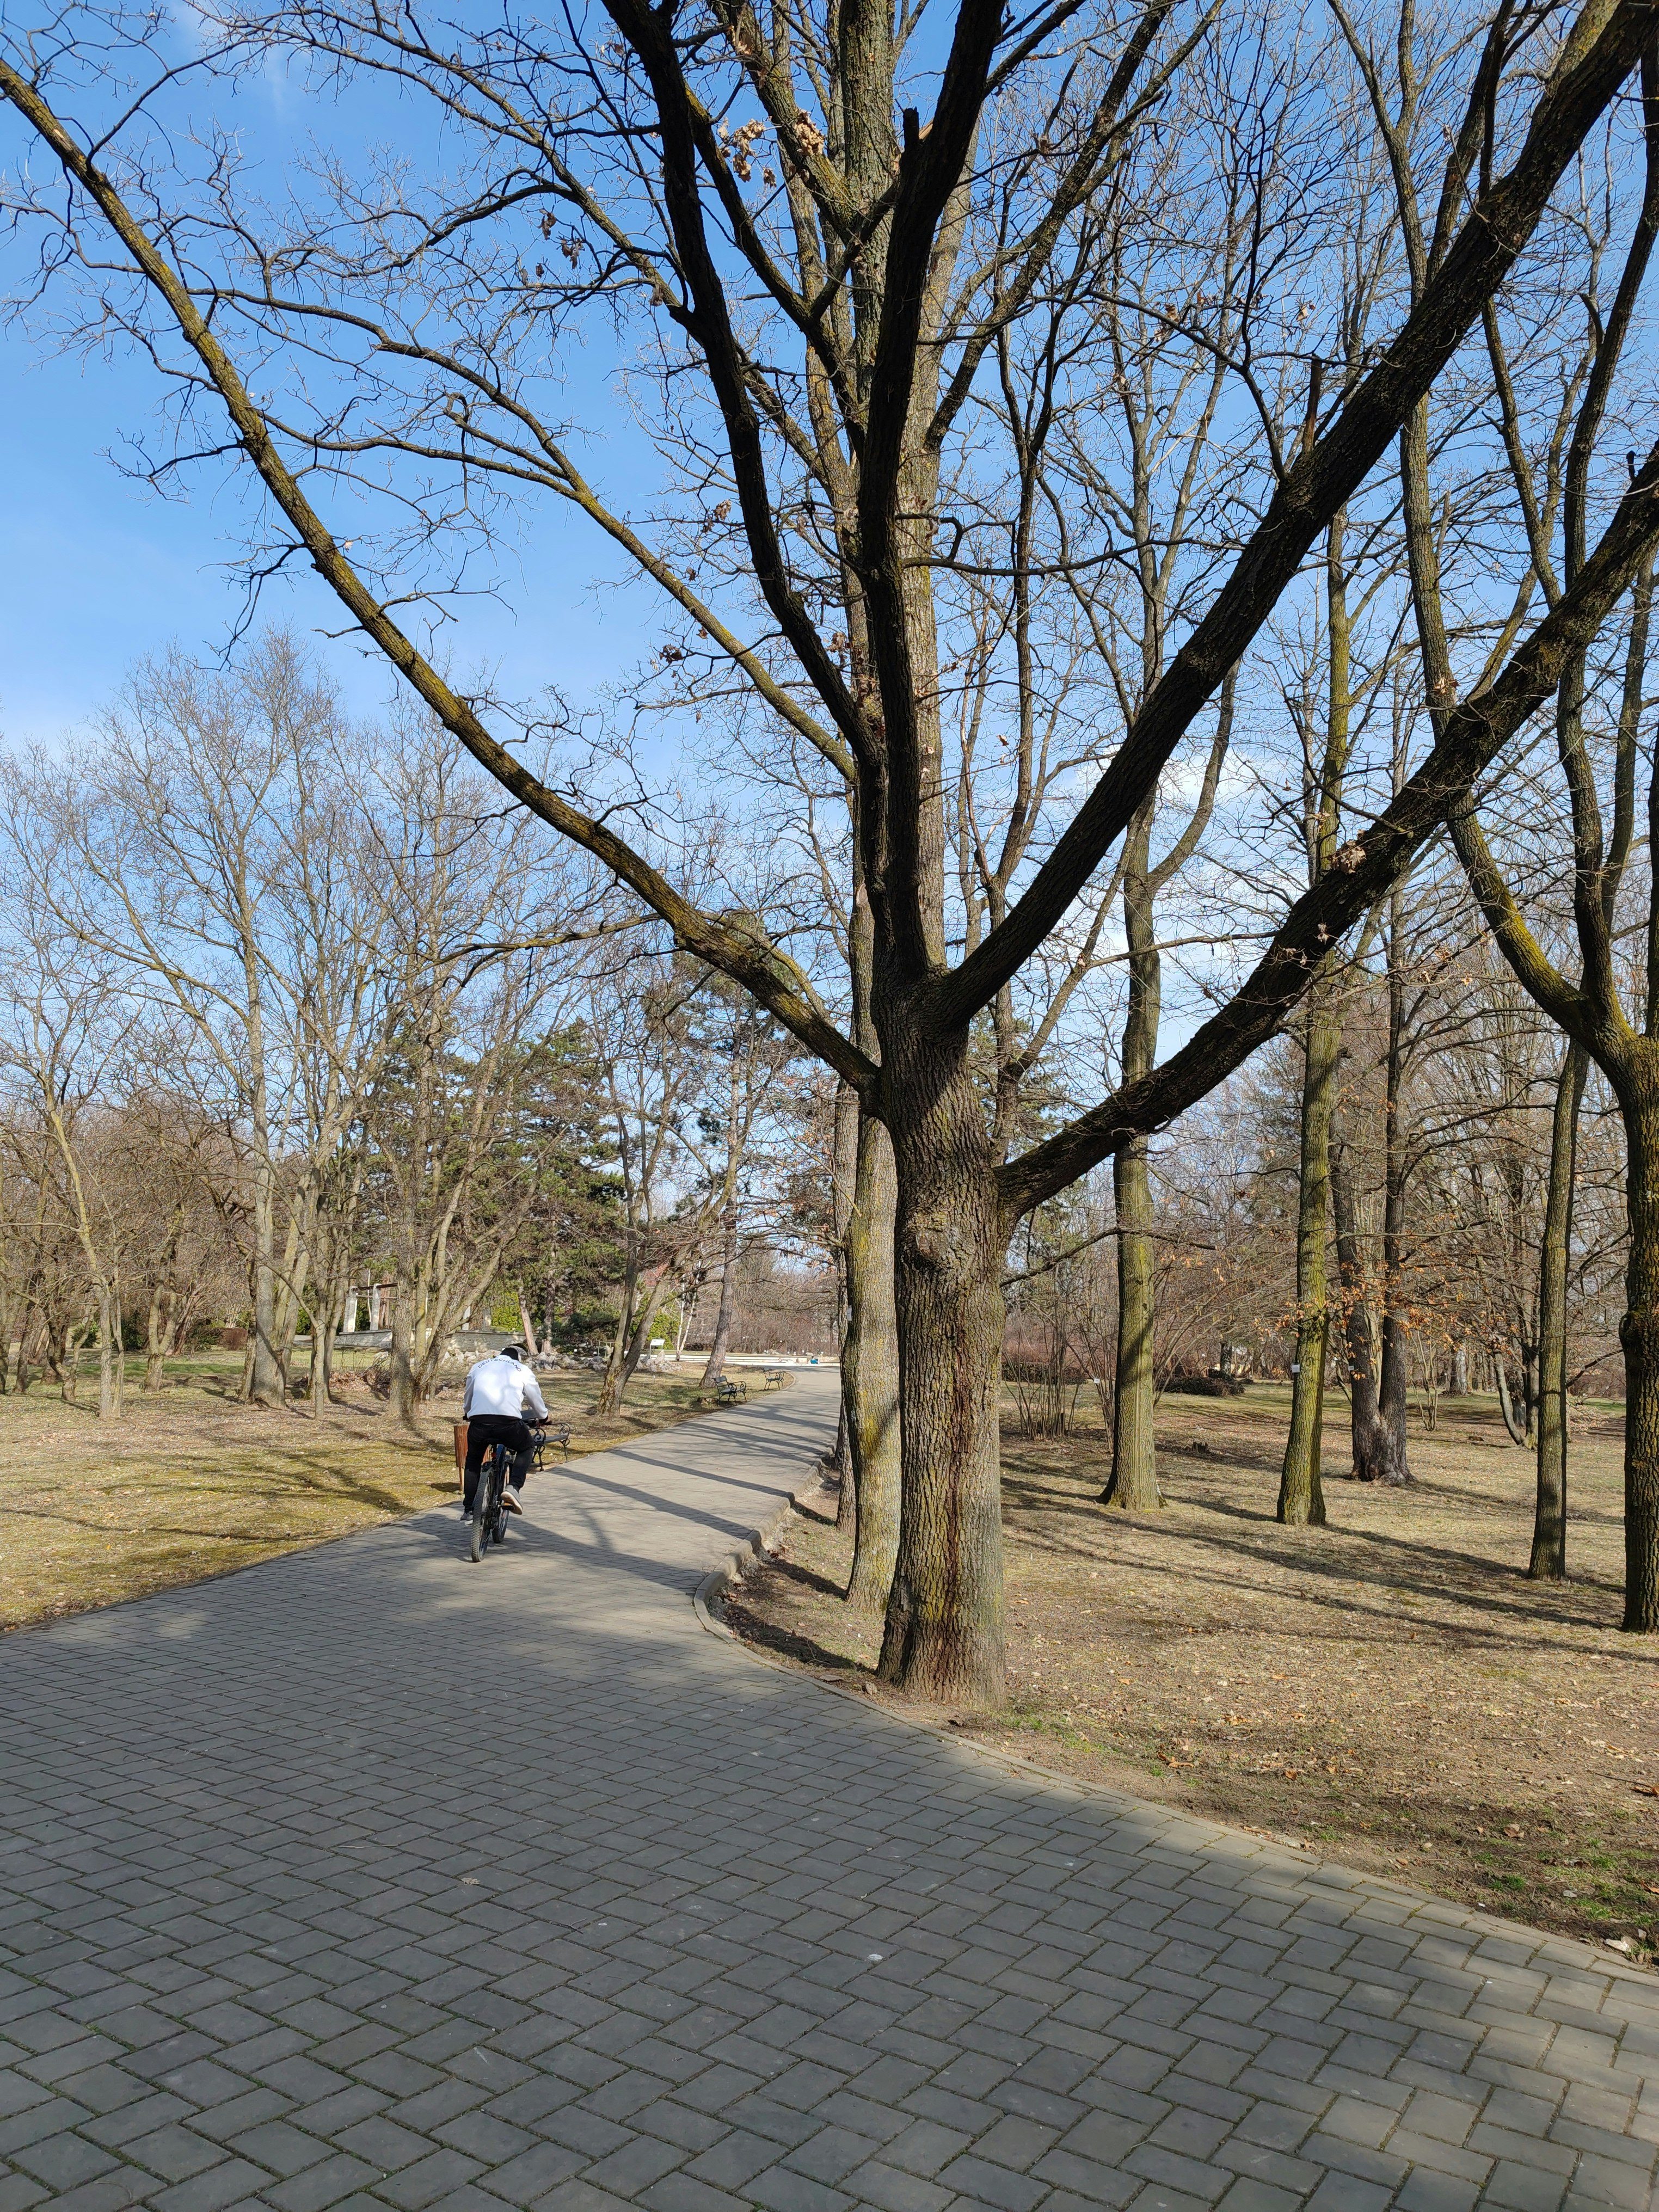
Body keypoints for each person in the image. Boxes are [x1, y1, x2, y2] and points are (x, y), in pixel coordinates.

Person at [461, 1341, 547, 1520]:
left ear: (500, 1355)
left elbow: (469, 1393)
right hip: (508, 1424)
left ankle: (469, 1509)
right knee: (527, 1447)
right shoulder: (521, 1369)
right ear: (517, 1358)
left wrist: (467, 1412)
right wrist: (543, 1417)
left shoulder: (479, 1366)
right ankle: (513, 1487)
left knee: (473, 1461)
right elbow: (534, 1397)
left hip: (479, 1423)